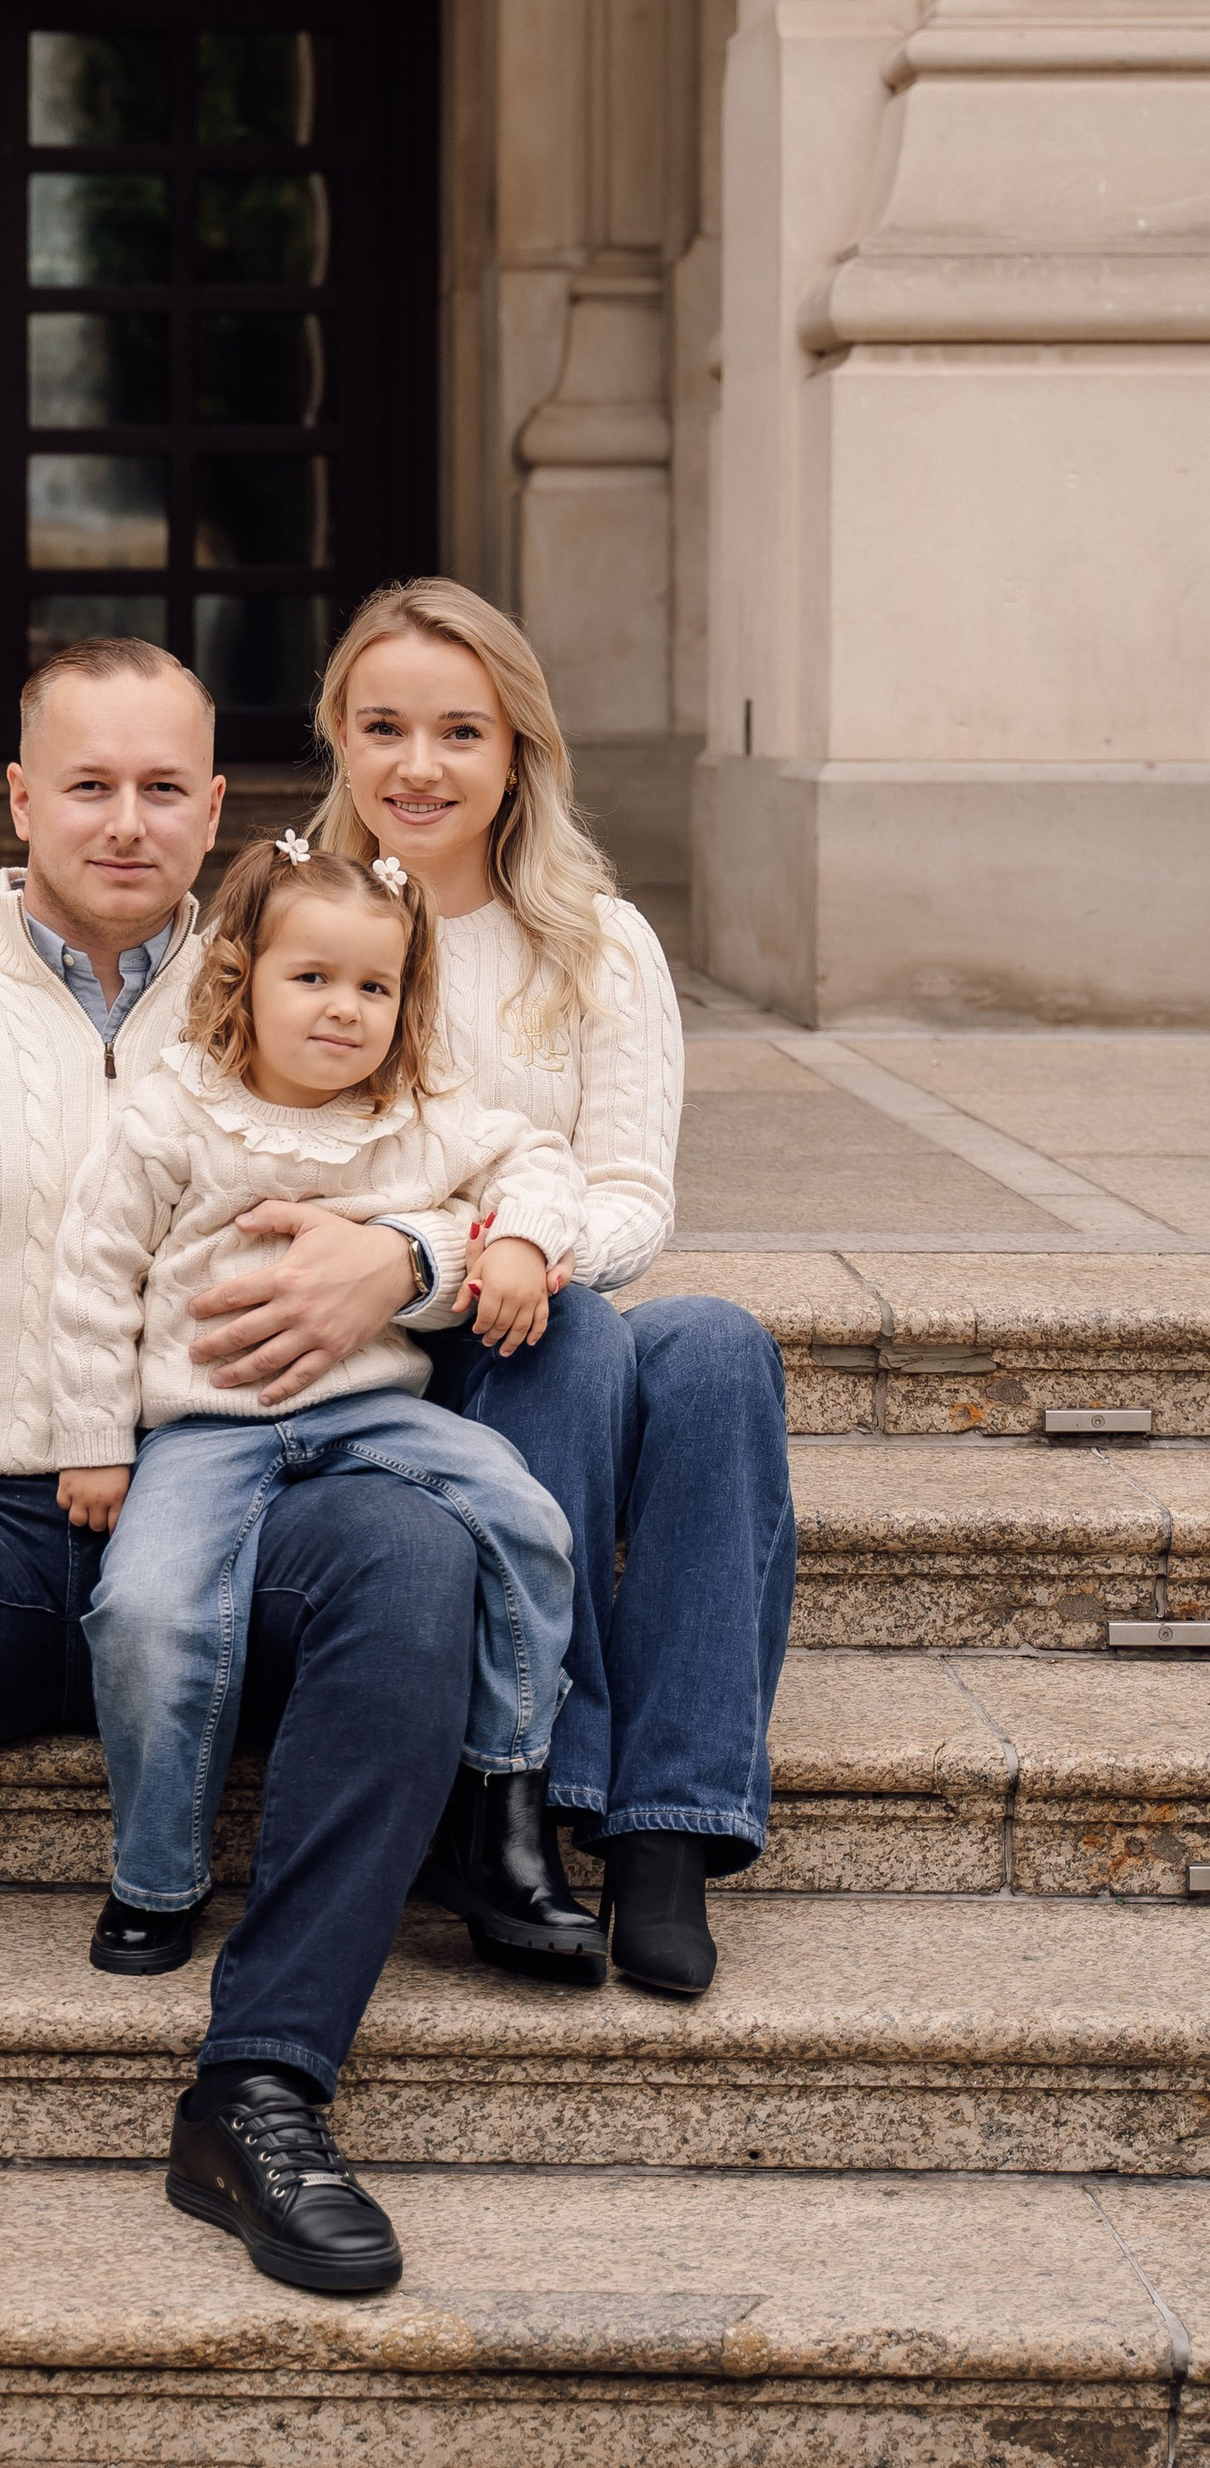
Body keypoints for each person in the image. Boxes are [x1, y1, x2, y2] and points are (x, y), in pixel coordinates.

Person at [0, 636, 483, 2328]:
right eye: (86, 784)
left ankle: (264, 2089)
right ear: (18, 797)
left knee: (417, 1558)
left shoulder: (307, 977)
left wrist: (411, 1253)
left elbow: (496, 1152)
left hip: (239, 1516)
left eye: (160, 789)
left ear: (217, 807)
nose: (123, 822)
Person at [306, 577, 793, 1997]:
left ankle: (668, 1831)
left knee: (712, 1345)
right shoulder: (298, 925)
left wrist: (533, 1245)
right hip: (396, 1354)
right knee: (575, 1340)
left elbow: (632, 1195)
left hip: (547, 1310)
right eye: (384, 725)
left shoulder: (599, 940)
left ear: (517, 750)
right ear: (337, 733)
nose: (419, 765)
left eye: (461, 731)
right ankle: (539, 1782)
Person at [51, 830, 583, 1987]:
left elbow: (537, 1158)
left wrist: (523, 1242)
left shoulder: (414, 1116)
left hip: (369, 1417)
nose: (344, 1009)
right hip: (203, 1432)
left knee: (527, 1519)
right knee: (146, 1610)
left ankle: (500, 1776)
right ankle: (154, 1875)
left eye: (375, 986)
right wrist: (95, 1441)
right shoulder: (175, 1114)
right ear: (242, 978)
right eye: (312, 978)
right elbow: (92, 1278)